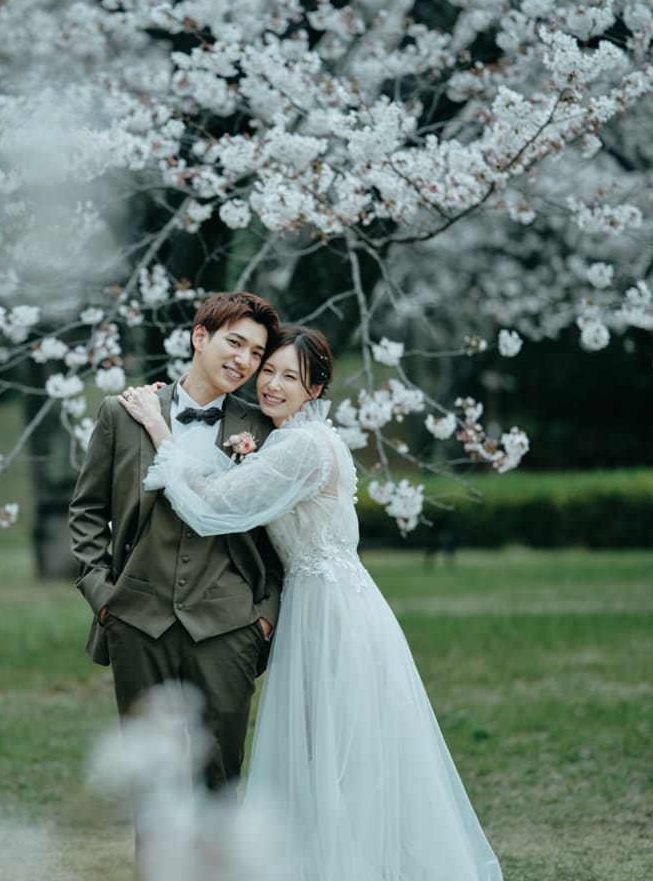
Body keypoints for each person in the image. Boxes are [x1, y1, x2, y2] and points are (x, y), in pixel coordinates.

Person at [118, 325, 503, 881]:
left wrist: (159, 427)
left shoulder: (302, 446)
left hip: (330, 611)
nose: (271, 384)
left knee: (336, 756)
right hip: (330, 601)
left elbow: (209, 505)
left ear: (315, 390)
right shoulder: (293, 440)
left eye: (290, 378)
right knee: (328, 754)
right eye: (268, 370)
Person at [69, 291, 284, 803]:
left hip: (229, 629)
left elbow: (279, 534)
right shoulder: (121, 415)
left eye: (256, 354)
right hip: (137, 622)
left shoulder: (261, 428)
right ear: (200, 336)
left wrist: (263, 617)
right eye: (235, 343)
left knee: (222, 788)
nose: (244, 361)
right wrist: (105, 600)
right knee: (152, 793)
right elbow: (86, 513)